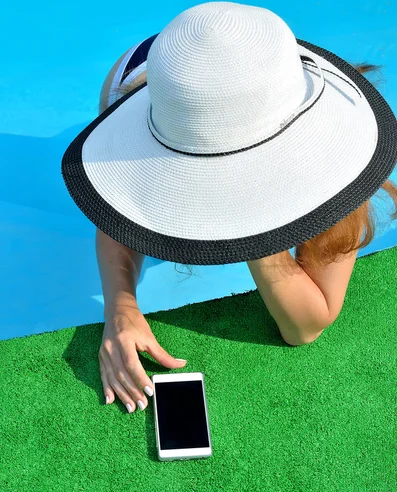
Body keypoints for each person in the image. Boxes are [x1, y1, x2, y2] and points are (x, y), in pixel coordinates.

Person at [62, 2, 397, 416]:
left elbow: (306, 326)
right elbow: (120, 209)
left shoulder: (340, 147)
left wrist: (254, 222)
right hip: (151, 79)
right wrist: (121, 306)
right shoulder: (139, 92)